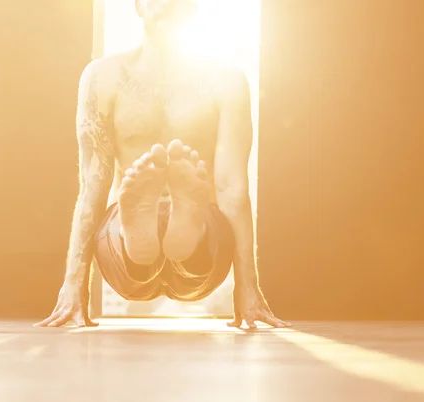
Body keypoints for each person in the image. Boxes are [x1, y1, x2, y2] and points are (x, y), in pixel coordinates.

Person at [35, 0, 289, 329]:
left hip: (198, 248)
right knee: (145, 243)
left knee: (189, 249)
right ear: (138, 5)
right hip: (149, 246)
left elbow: (233, 188)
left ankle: (183, 229)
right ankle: (145, 231)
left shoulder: (226, 80)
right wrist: (246, 290)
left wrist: (248, 287)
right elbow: (93, 186)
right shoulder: (104, 77)